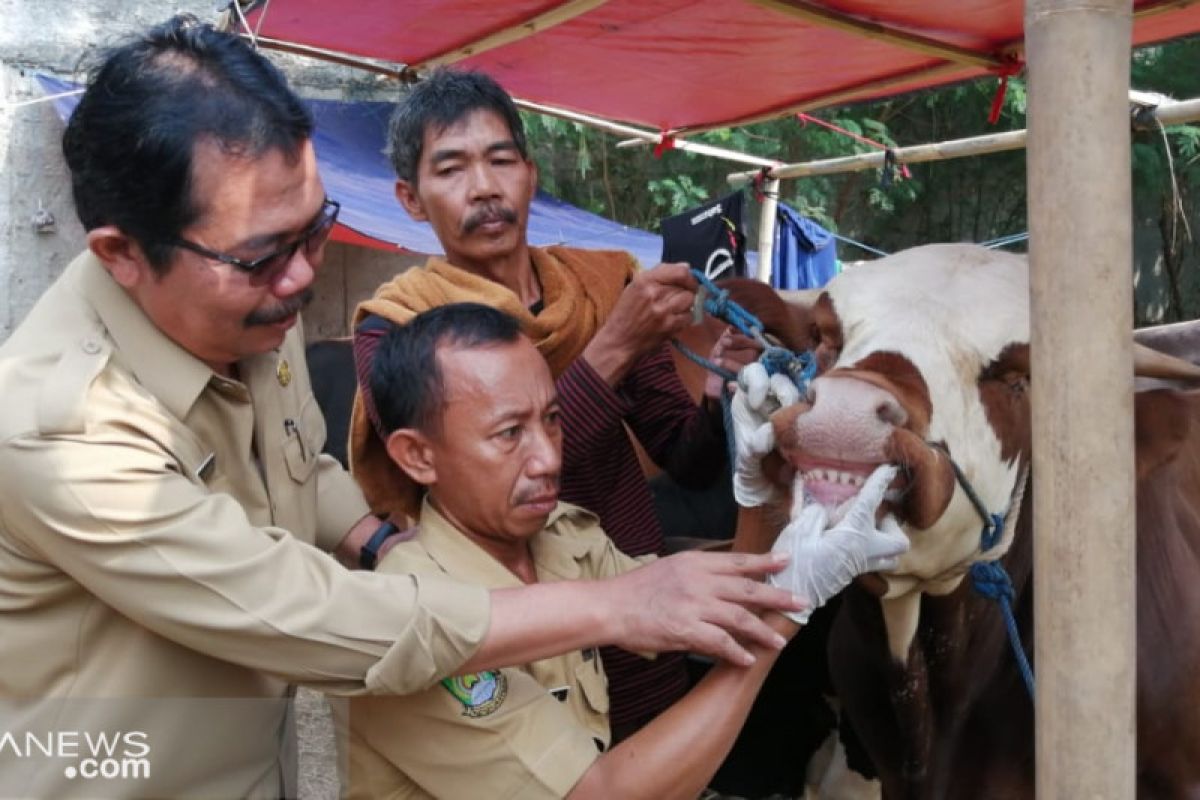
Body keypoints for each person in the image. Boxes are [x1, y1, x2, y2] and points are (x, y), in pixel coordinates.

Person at [0, 17, 807, 798]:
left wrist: (386, 540)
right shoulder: (62, 430)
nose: (300, 279)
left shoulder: (249, 311)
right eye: (262, 255)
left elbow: (299, 465)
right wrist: (616, 606)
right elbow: (308, 618)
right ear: (123, 255)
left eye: (313, 229)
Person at [345, 302, 908, 799]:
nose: (548, 459)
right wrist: (788, 612)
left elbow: (717, 619)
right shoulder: (412, 626)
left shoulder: (562, 537)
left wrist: (761, 491)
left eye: (553, 420)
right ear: (418, 457)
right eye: (509, 434)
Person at [349, 67, 762, 740]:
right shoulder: (396, 329)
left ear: (530, 174)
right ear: (411, 198)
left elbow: (685, 462)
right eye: (450, 169)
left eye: (500, 160)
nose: (484, 188)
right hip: (511, 633)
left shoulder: (599, 285)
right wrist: (613, 346)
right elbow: (481, 491)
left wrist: (717, 392)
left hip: (639, 605)